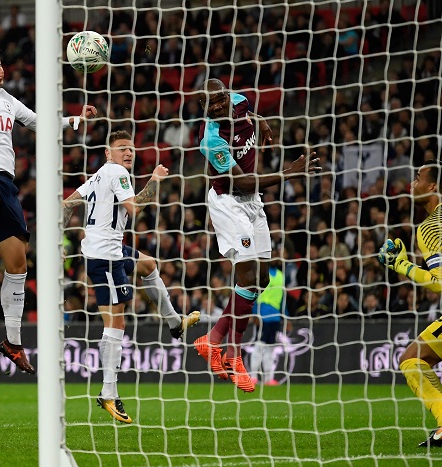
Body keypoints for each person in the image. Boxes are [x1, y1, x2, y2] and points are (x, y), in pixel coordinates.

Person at [0, 45, 97, 374]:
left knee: (17, 266)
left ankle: (13, 344)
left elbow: (39, 123)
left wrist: (76, 119)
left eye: (0, 62)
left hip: (8, 183)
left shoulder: (7, 101)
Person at [62, 130, 201, 424]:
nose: (128, 153)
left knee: (148, 265)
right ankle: (108, 392)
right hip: (106, 257)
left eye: (131, 149)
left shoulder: (99, 175)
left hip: (108, 249)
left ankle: (175, 323)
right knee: (116, 324)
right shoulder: (117, 172)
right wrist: (155, 181)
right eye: (122, 148)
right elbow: (135, 208)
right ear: (109, 153)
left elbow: (68, 204)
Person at [192, 78, 321, 393]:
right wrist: (290, 172)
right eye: (214, 102)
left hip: (253, 203)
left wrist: (261, 126)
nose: (222, 104)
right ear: (204, 108)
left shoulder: (239, 100)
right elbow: (244, 183)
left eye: (222, 97)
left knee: (261, 278)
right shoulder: (210, 139)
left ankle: (213, 341)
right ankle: (233, 354)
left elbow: (251, 115)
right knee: (248, 274)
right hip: (229, 202)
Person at [379, 162, 442, 448]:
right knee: (413, 357)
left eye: (418, 178)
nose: (411, 184)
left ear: (433, 187)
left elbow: (439, 282)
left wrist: (402, 266)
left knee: (411, 360)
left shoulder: (431, 227)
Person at [249, 253, 287, 386]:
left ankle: (268, 379)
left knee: (271, 347)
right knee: (259, 345)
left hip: (275, 316)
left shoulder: (281, 275)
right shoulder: (261, 274)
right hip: (262, 314)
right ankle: (253, 376)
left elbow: (282, 297)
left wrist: (286, 316)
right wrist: (254, 313)